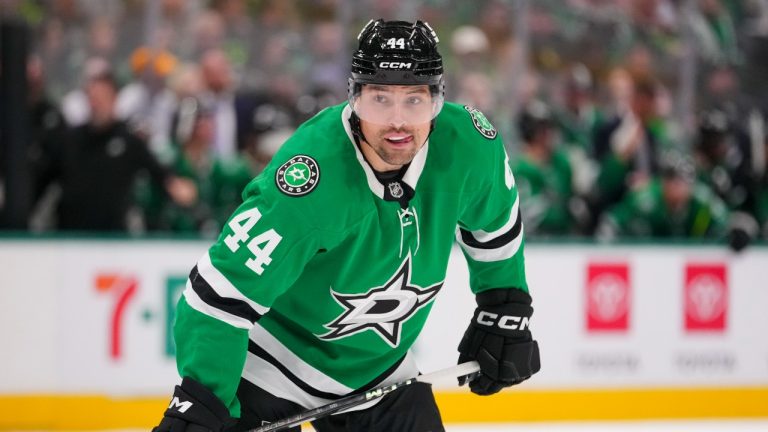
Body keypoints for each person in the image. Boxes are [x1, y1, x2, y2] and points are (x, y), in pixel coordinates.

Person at [154, 19, 540, 432]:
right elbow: (217, 296)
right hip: (271, 363)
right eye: (380, 99)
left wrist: (504, 305)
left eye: (415, 100)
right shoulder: (309, 181)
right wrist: (203, 401)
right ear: (354, 99)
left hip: (379, 371)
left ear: (438, 100)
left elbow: (496, 224)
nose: (398, 122)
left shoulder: (468, 147)